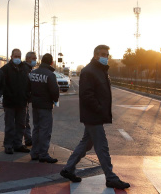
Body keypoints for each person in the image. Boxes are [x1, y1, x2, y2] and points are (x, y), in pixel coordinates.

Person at [60, 45, 130, 190]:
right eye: (103, 54)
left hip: (95, 114)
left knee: (87, 143)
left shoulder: (101, 71)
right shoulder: (89, 71)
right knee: (102, 146)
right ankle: (110, 177)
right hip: (93, 115)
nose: (106, 57)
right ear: (96, 55)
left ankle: (68, 169)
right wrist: (99, 109)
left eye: (108, 54)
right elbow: (87, 95)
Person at [28, 53, 59, 163]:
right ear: (51, 62)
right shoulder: (50, 75)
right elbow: (54, 91)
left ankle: (34, 152)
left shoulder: (33, 73)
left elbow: (28, 88)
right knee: (45, 131)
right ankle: (43, 154)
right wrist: (55, 100)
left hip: (35, 105)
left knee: (36, 129)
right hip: (45, 106)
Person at [1, 48, 30, 154]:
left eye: (19, 56)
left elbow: (28, 84)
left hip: (22, 102)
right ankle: (8, 145)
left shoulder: (25, 68)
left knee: (21, 124)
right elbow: (2, 85)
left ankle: (18, 144)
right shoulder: (5, 69)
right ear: (11, 57)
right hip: (9, 103)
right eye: (15, 56)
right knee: (9, 125)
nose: (17, 58)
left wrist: (27, 96)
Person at [23, 51, 37, 147]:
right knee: (23, 120)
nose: (35, 61)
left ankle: (28, 139)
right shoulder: (25, 69)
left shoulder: (29, 69)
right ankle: (26, 139)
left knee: (25, 120)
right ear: (28, 59)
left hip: (25, 99)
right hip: (22, 99)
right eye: (33, 59)